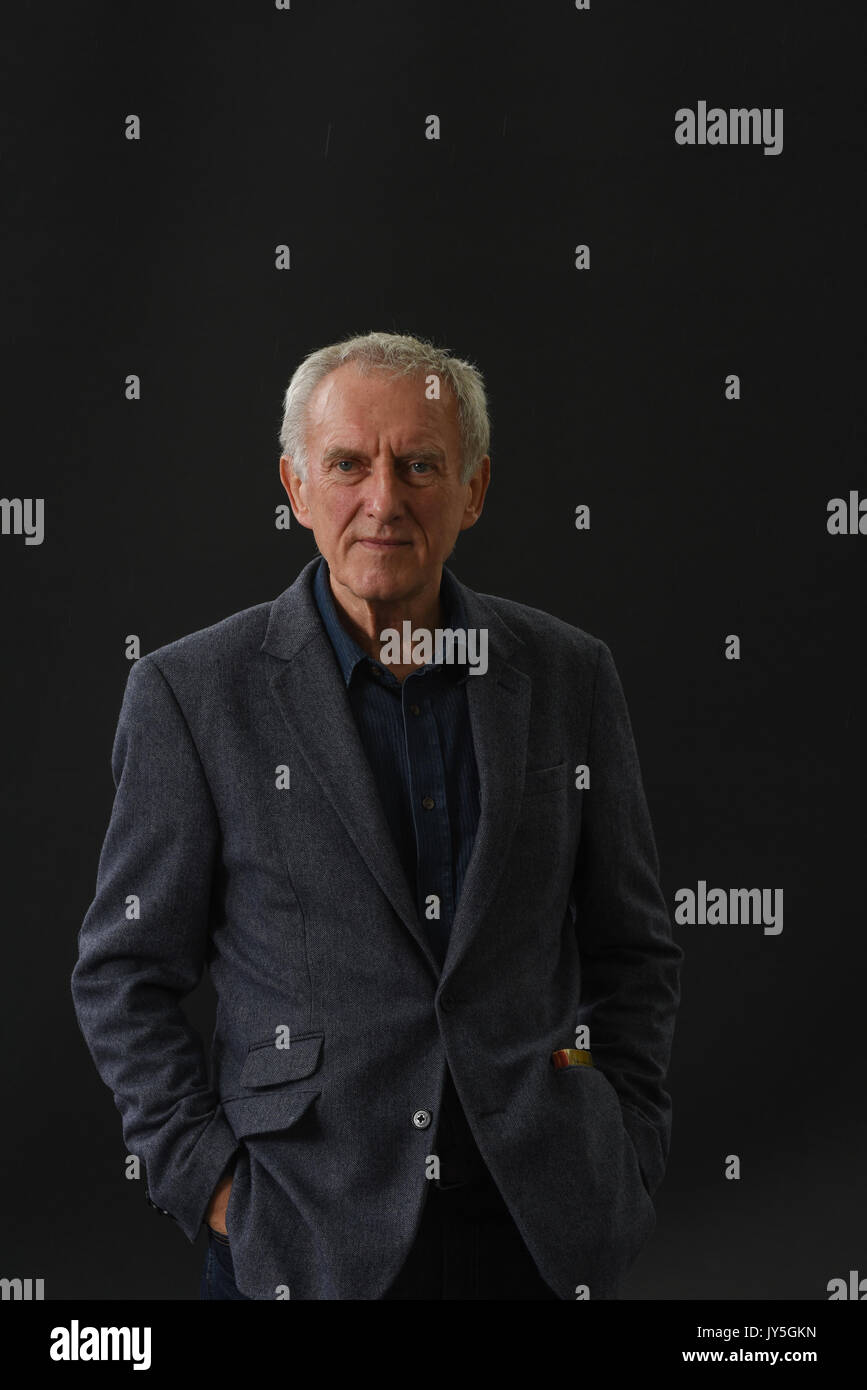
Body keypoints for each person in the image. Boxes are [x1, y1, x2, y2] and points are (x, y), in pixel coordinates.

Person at [71, 330, 683, 1300]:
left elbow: (634, 947)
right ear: (296, 484)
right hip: (300, 1230)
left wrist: (628, 1140)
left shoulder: (571, 674)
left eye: (421, 465)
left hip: (537, 1224)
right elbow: (123, 971)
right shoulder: (191, 694)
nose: (384, 500)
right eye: (349, 463)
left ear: (474, 489)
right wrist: (209, 1178)